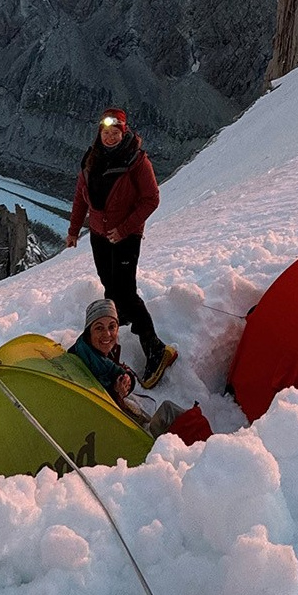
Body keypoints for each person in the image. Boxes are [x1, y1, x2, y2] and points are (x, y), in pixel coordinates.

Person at [66, 107, 177, 388]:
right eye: (106, 132)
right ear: (99, 133)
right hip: (99, 235)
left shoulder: (137, 161)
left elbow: (151, 198)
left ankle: (154, 347)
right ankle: (113, 334)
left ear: (123, 131)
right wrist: (73, 232)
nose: (111, 136)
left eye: (116, 132)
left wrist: (124, 229)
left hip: (126, 237)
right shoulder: (91, 160)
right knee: (109, 285)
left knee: (125, 292)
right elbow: (81, 198)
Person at [70, 298, 183, 437]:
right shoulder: (82, 363)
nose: (107, 334)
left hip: (121, 421)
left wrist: (126, 380)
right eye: (99, 328)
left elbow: (119, 371)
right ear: (89, 331)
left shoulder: (94, 353)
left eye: (112, 327)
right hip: (114, 434)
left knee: (171, 413)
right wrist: (115, 392)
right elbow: (95, 406)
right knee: (170, 413)